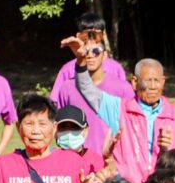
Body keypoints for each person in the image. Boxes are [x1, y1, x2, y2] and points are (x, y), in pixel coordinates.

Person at [79, 57, 175, 183]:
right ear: (134, 82)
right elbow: (87, 90)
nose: (153, 86)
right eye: (148, 81)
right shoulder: (119, 109)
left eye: (157, 81)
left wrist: (169, 151)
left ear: (163, 82)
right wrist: (81, 62)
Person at [50, 11, 132, 161]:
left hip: (112, 159)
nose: (90, 55)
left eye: (96, 51)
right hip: (75, 157)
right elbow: (57, 117)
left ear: (104, 53)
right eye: (86, 50)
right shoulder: (67, 78)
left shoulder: (121, 84)